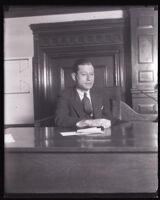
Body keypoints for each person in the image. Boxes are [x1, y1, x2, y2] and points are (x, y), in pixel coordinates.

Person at [55, 58, 120, 128]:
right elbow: (60, 120)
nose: (89, 79)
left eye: (91, 74)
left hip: (100, 137)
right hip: (76, 137)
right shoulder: (65, 95)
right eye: (84, 74)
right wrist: (87, 122)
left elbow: (108, 118)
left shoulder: (101, 93)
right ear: (74, 77)